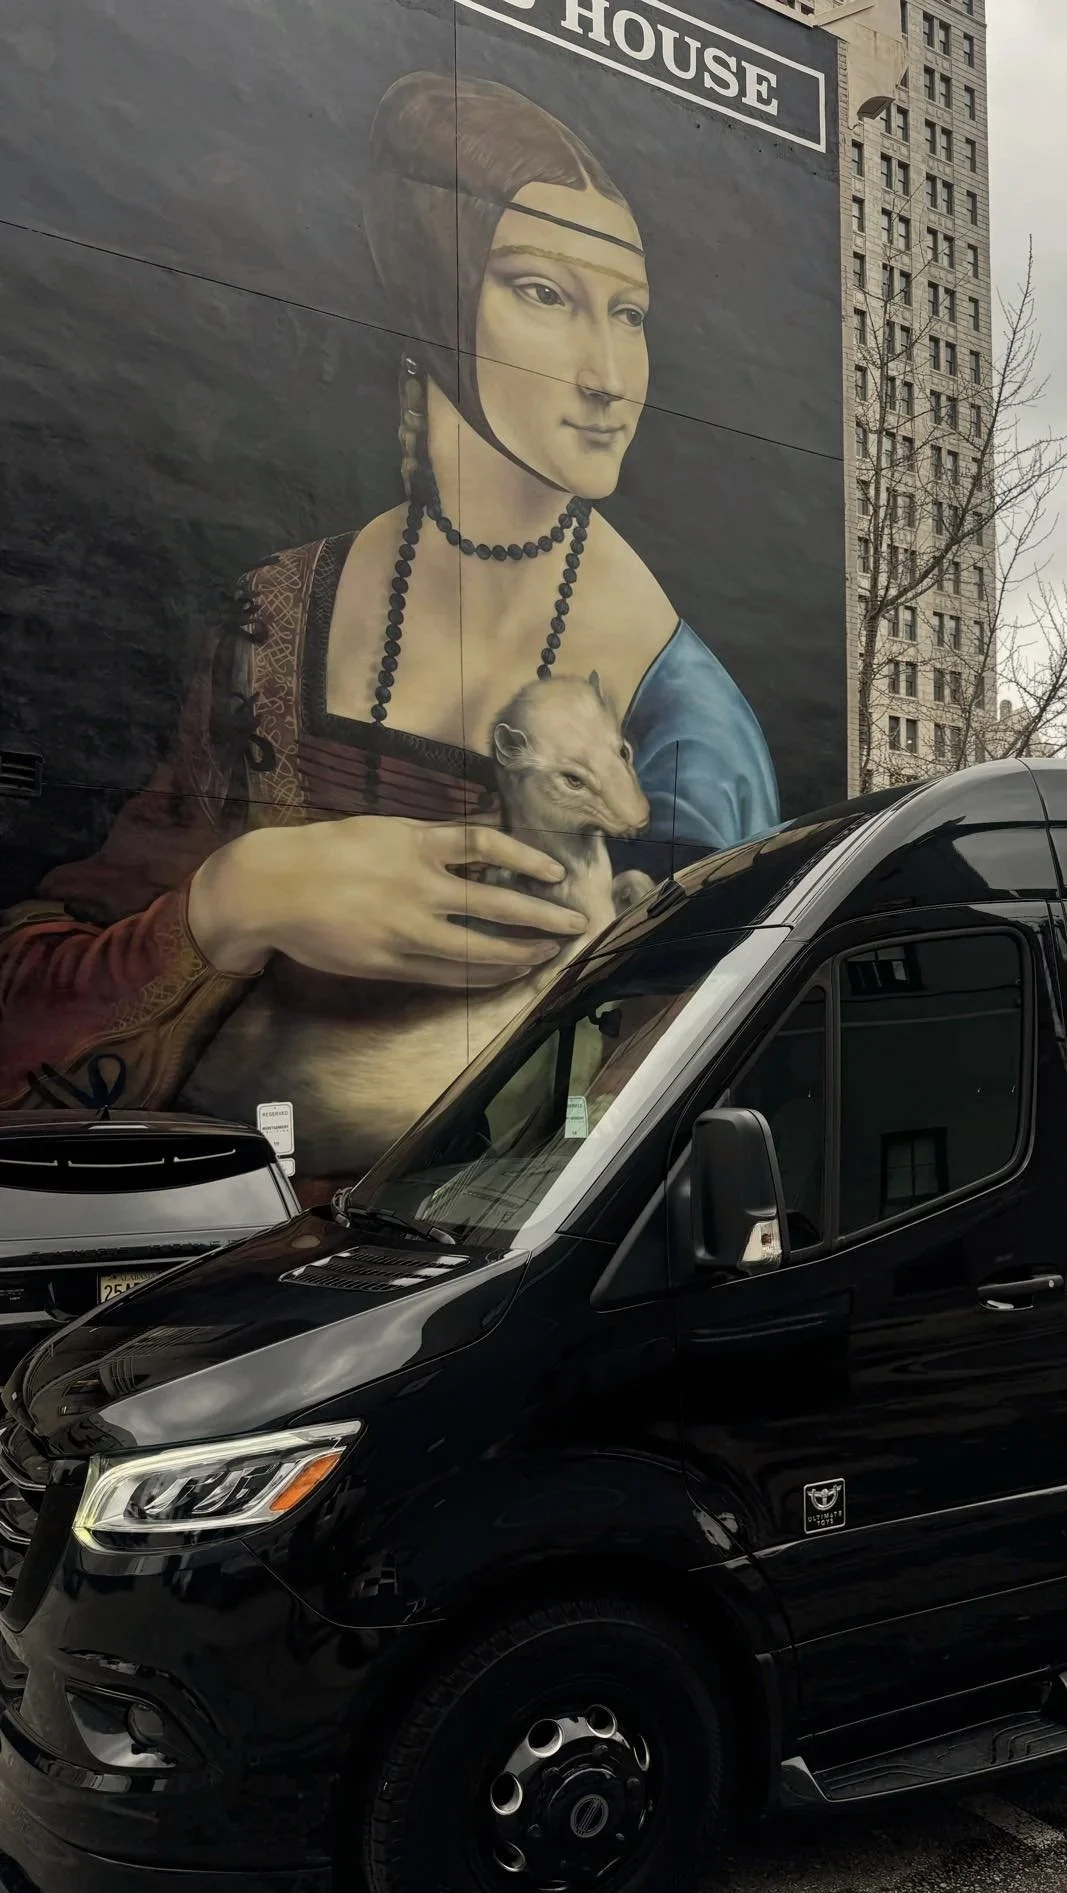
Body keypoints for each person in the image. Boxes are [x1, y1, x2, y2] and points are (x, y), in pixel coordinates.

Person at [0, 71, 779, 1189]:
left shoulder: (684, 729)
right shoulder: (275, 621)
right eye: (543, 294)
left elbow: (662, 1122)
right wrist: (244, 895)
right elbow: (30, 1010)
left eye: (630, 313)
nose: (608, 377)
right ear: (436, 296)